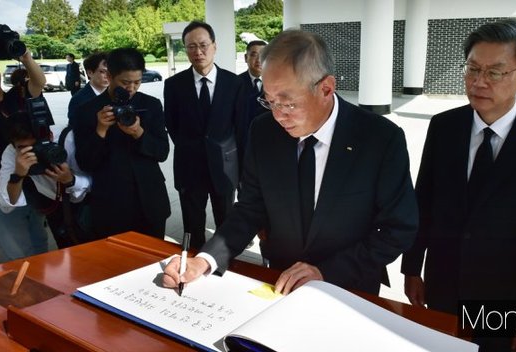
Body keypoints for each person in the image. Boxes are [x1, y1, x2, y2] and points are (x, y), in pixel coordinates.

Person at [163, 29, 418, 296]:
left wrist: (326, 271)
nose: (278, 115)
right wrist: (205, 260)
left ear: (326, 88)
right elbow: (250, 208)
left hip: (350, 286)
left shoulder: (380, 139)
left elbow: (397, 228)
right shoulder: (263, 131)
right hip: (280, 283)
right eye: (269, 101)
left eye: (288, 103)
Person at [400, 19, 516, 352]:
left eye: (495, 72)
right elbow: (424, 200)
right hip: (444, 283)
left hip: (506, 298)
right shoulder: (444, 127)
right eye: (472, 69)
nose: (479, 82)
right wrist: (412, 269)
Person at [164, 21, 246, 249]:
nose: (198, 52)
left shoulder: (235, 83)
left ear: (214, 46)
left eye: (203, 45)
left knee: (226, 223)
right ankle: (191, 265)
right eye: (191, 47)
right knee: (192, 226)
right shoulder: (173, 85)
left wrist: (243, 169)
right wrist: (189, 147)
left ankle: (224, 266)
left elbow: (240, 128)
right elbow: (171, 123)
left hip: (225, 167)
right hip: (189, 167)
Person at [73, 47, 170, 240]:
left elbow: (162, 152)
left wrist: (139, 133)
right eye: (125, 82)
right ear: (109, 76)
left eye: (137, 82)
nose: (131, 88)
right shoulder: (87, 110)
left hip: (150, 200)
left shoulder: (150, 105)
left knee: (154, 260)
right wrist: (100, 130)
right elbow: (86, 163)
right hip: (111, 205)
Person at [0, 32, 49, 266]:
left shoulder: (14, 98)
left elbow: (39, 82)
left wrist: (25, 56)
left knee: (39, 248)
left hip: (27, 183)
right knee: (19, 254)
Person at [0, 111, 92, 248]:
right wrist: (18, 175)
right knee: (67, 252)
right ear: (14, 146)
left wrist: (70, 180)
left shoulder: (68, 139)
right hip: (53, 205)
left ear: (50, 136)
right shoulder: (12, 153)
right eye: (25, 149)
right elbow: (6, 203)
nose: (34, 153)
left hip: (87, 204)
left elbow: (98, 181)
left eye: (37, 146)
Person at [238, 40, 268, 144]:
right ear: (246, 58)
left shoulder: (276, 83)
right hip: (243, 141)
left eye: (263, 55)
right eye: (254, 55)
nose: (259, 60)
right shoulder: (235, 83)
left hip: (269, 139)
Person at [68, 52, 109, 123]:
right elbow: (75, 129)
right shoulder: (78, 100)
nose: (108, 76)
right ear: (90, 73)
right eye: (103, 71)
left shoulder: (117, 95)